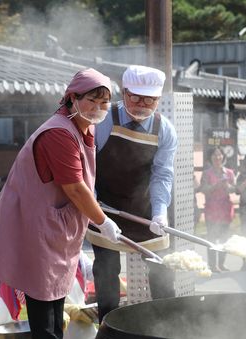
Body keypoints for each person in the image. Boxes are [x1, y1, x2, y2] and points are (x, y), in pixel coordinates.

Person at [0, 68, 121, 339]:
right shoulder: (58, 133)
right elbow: (74, 187)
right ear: (72, 98)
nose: (98, 108)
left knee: (56, 300)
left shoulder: (84, 127)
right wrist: (102, 221)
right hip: (38, 224)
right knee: (44, 307)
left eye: (104, 102)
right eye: (91, 100)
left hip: (56, 224)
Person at [86, 65, 177, 322]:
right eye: (135, 96)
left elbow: (162, 175)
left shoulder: (165, 129)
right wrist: (94, 208)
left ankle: (167, 327)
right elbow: (87, 167)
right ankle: (109, 328)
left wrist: (160, 213)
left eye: (149, 99)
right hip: (104, 204)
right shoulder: (102, 120)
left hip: (145, 208)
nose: (141, 104)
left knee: (162, 272)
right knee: (106, 273)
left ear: (158, 99)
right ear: (124, 93)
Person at [199, 146, 235, 272]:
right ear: (210, 158)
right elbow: (203, 190)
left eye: (219, 155)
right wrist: (216, 186)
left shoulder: (229, 172)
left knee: (224, 238)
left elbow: (234, 189)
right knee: (212, 238)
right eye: (214, 155)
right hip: (211, 209)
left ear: (223, 157)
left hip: (225, 209)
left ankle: (222, 263)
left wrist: (228, 186)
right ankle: (213, 265)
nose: (217, 157)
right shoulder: (206, 173)